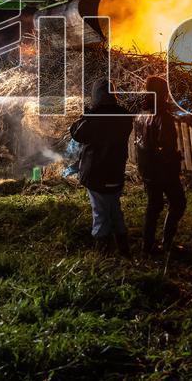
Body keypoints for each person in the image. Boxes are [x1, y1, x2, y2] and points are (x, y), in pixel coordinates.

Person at [70, 79, 135, 255]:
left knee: (99, 213)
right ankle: (123, 249)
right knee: (114, 209)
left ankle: (103, 253)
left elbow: (76, 133)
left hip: (96, 174)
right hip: (116, 173)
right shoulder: (124, 115)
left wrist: (86, 115)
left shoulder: (93, 117)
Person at [133, 76, 186, 256]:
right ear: (162, 93)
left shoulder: (141, 114)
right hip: (163, 171)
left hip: (147, 169)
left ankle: (147, 247)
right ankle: (167, 243)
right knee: (178, 203)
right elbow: (168, 148)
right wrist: (176, 159)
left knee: (153, 206)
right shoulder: (163, 117)